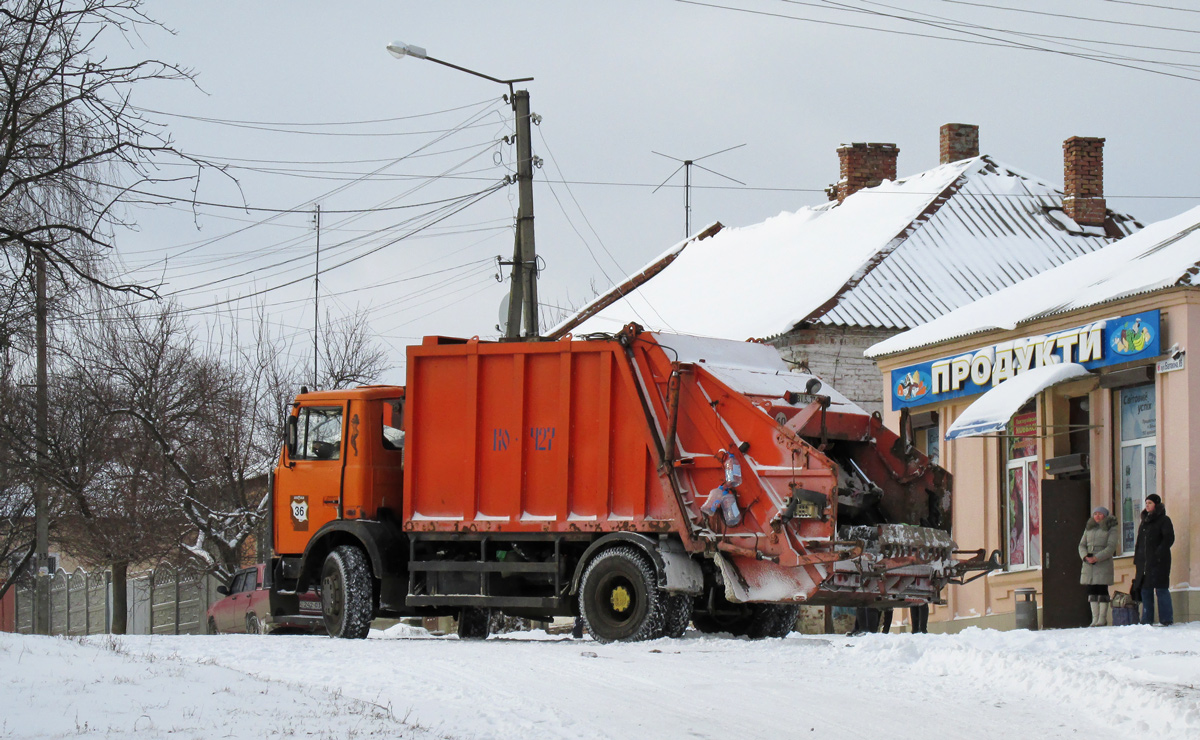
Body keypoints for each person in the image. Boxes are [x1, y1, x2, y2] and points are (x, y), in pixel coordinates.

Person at [1133, 493, 1175, 626]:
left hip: (1159, 561)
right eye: (1146, 503)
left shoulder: (1164, 520)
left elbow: (1168, 538)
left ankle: (1166, 618)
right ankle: (1147, 619)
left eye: (1150, 503)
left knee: (1161, 589)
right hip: (1144, 563)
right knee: (1146, 590)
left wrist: (1158, 554)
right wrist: (1137, 559)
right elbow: (1139, 543)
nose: (1147, 505)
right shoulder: (1144, 522)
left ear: (1156, 505)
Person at [1078, 506, 1118, 627]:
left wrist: (1097, 557)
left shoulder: (1111, 528)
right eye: (1095, 514)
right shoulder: (1089, 528)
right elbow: (1081, 545)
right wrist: (1085, 556)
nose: (1097, 516)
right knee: (1092, 591)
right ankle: (1094, 619)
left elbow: (1111, 547)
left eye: (1100, 514)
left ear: (1105, 516)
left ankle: (1102, 618)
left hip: (1103, 564)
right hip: (1089, 565)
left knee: (1102, 591)